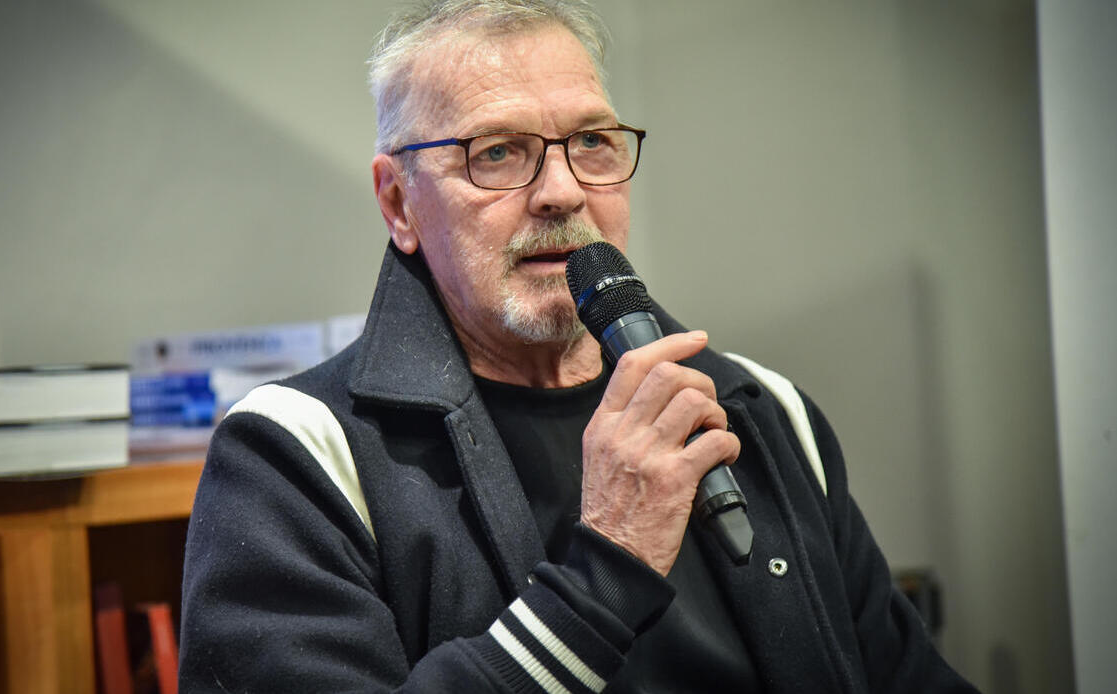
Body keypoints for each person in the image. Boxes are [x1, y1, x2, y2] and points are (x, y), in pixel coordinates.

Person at [179, 1, 978, 692]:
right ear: (399, 203)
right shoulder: (293, 455)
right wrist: (607, 569)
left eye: (592, 142)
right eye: (495, 152)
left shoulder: (765, 412)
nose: (562, 191)